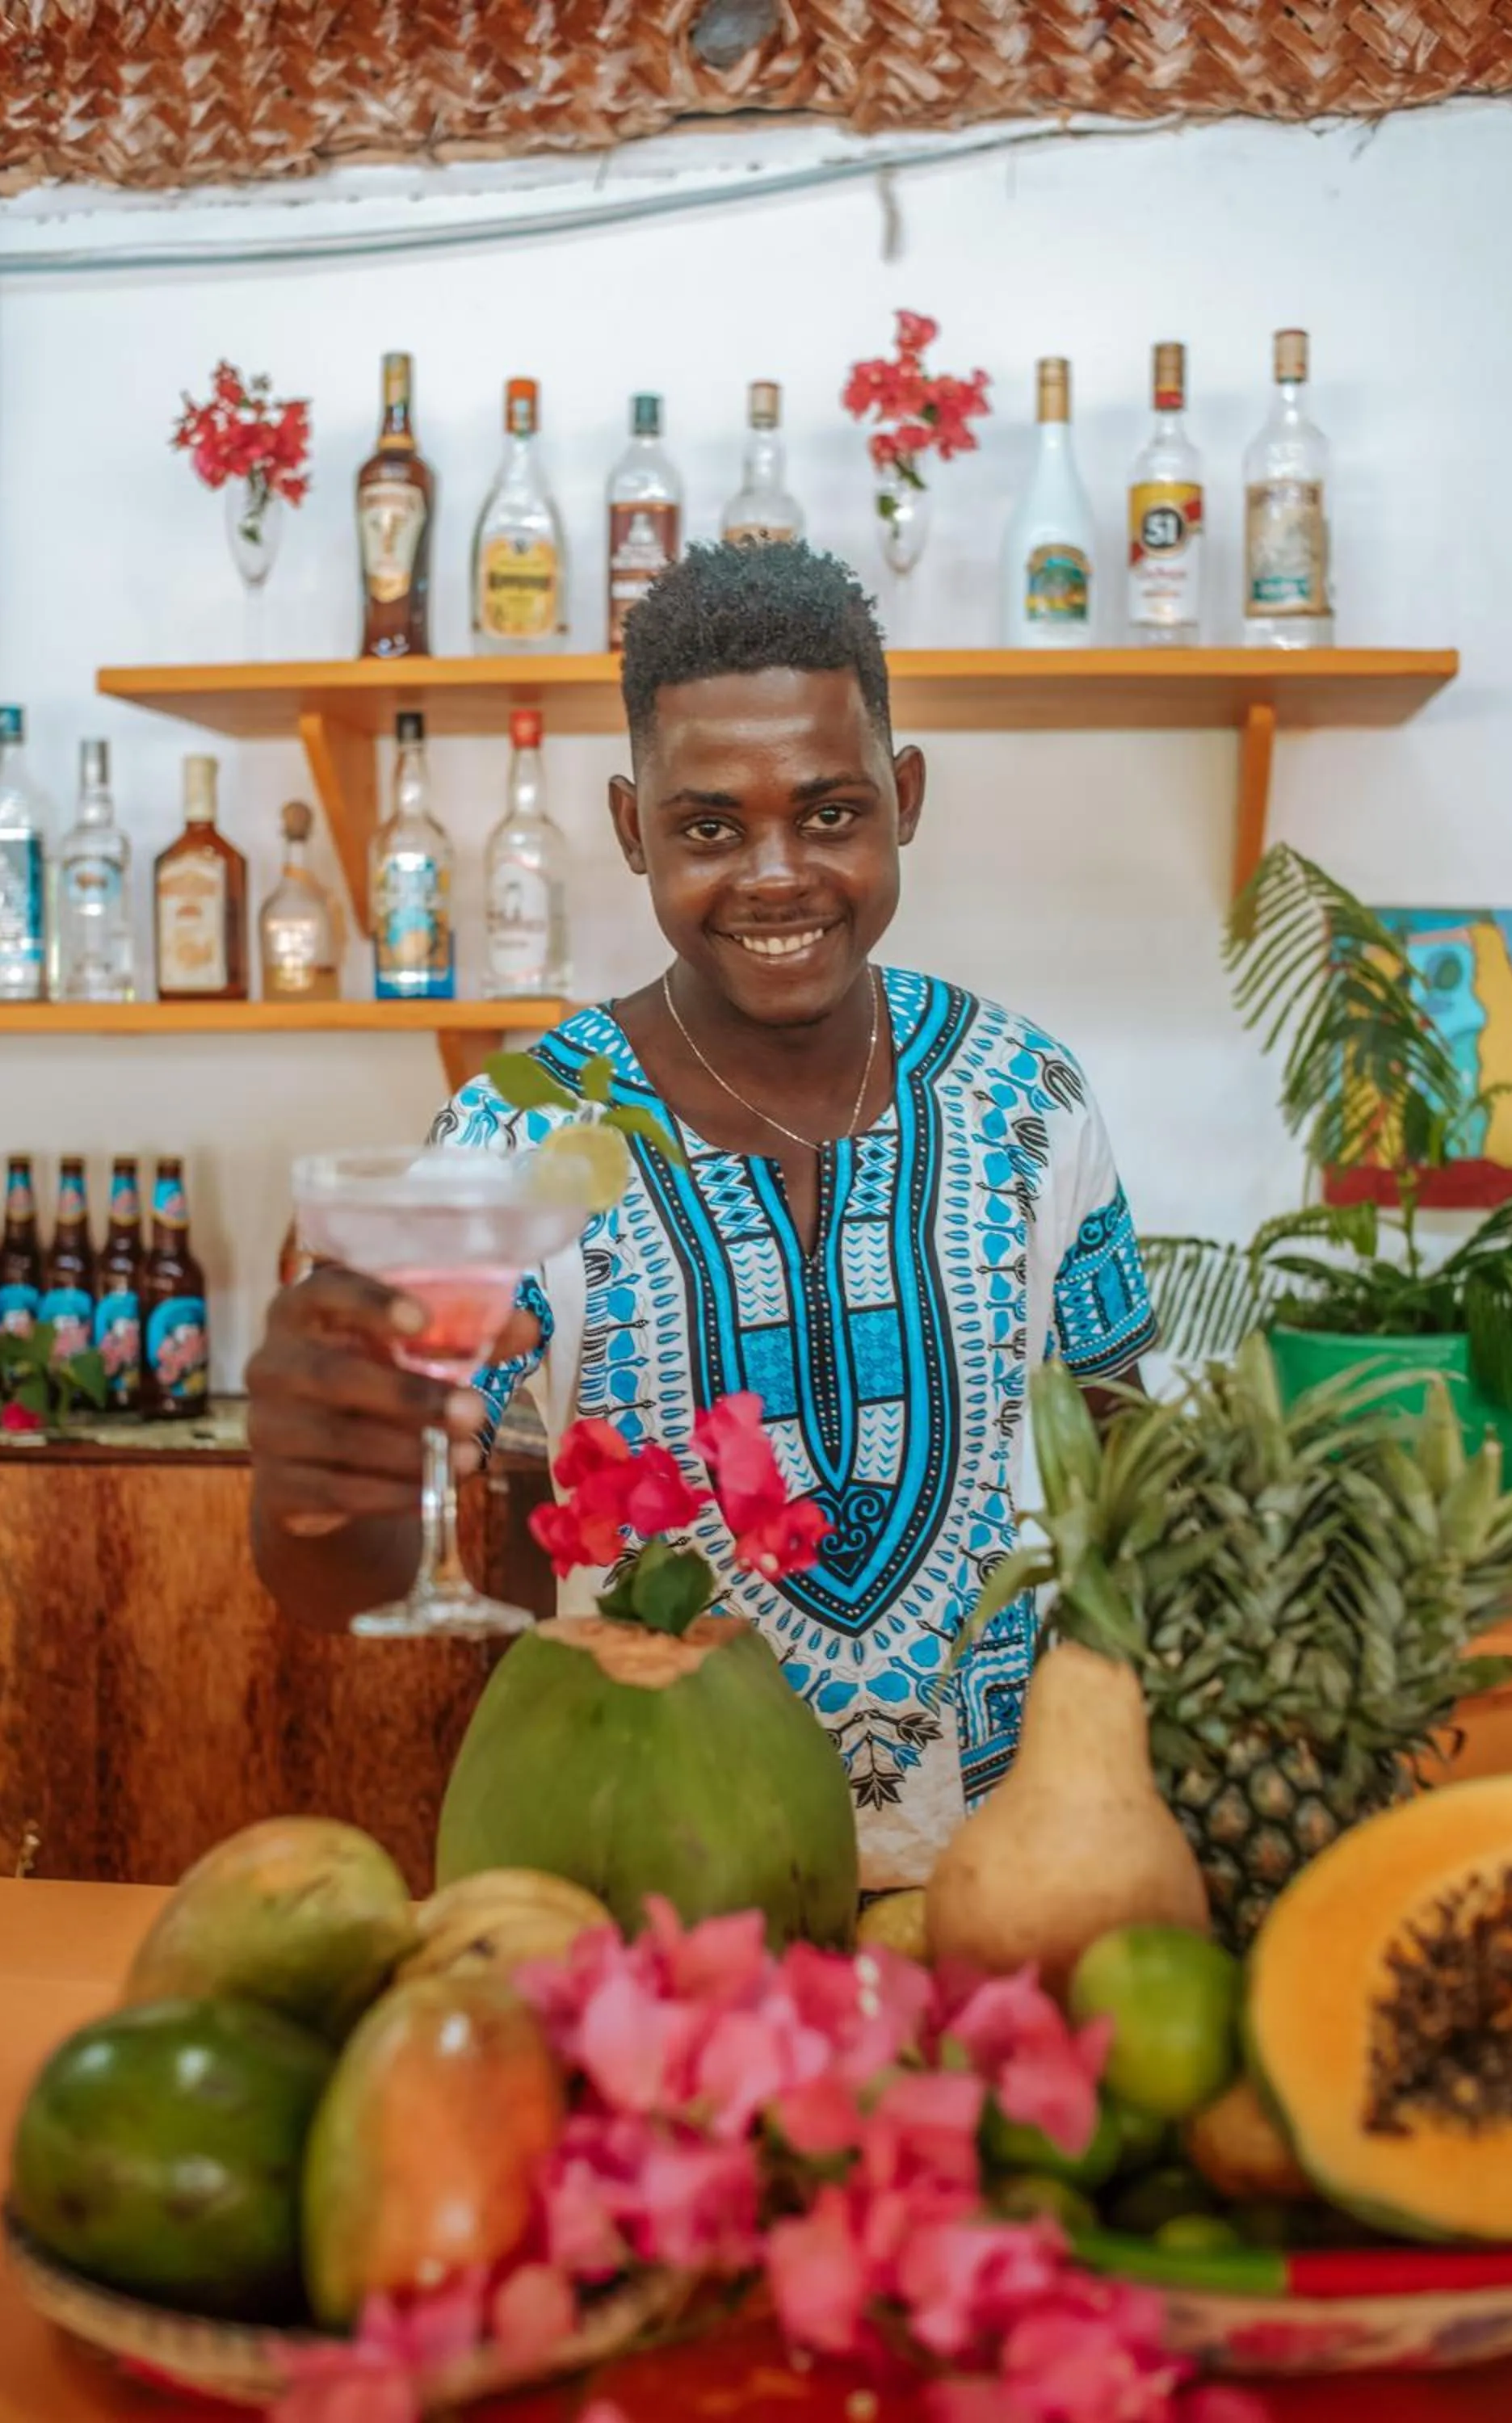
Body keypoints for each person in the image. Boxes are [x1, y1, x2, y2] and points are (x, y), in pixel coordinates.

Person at [249, 540, 1154, 1886]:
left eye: (831, 812)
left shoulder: (1029, 1095)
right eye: (709, 826)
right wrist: (320, 1487)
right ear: (632, 831)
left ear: (904, 799)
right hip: (650, 1897)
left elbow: (1121, 1468)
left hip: (1002, 1891)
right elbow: (396, 1577)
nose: (774, 873)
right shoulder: (516, 1130)